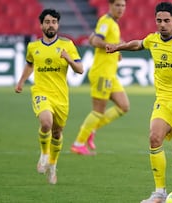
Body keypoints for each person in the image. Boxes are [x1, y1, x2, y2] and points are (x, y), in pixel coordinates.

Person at [105, 2, 172, 203]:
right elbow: (138, 44)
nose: (162, 25)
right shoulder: (153, 39)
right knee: (154, 138)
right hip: (164, 101)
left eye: (166, 21)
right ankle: (160, 192)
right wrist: (118, 46)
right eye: (159, 21)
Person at [14, 8, 84, 184]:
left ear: (58, 24)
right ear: (41, 25)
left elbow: (80, 69)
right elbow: (30, 64)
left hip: (61, 96)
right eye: (47, 22)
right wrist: (21, 81)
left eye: (54, 22)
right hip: (41, 91)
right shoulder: (33, 47)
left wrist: (68, 59)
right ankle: (44, 154)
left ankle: (52, 165)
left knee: (57, 132)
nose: (51, 25)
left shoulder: (67, 45)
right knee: (46, 122)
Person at [71, 0, 129, 155]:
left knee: (123, 106)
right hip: (102, 73)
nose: (120, 8)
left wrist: (117, 49)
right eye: (117, 5)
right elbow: (96, 41)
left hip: (111, 74)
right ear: (110, 6)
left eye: (123, 5)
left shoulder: (113, 24)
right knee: (98, 111)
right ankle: (78, 143)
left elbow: (92, 37)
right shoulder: (106, 21)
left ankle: (92, 128)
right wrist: (112, 46)